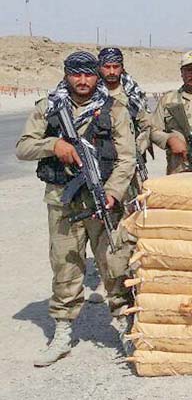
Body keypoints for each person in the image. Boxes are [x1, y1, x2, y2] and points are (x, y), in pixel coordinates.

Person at [15, 51, 136, 367]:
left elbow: (127, 158)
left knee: (115, 262)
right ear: (66, 74)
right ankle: (63, 332)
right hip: (63, 202)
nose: (82, 81)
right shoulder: (49, 108)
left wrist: (113, 191)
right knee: (65, 265)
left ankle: (125, 325)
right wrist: (54, 145)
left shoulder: (115, 110)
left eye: (88, 75)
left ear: (98, 76)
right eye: (75, 75)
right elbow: (24, 147)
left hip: (103, 202)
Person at [98, 47, 151, 189]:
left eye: (116, 67)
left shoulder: (132, 94)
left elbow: (147, 127)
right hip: (101, 162)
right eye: (107, 67)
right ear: (99, 67)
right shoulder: (93, 95)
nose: (111, 72)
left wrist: (136, 148)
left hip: (130, 163)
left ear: (122, 67)